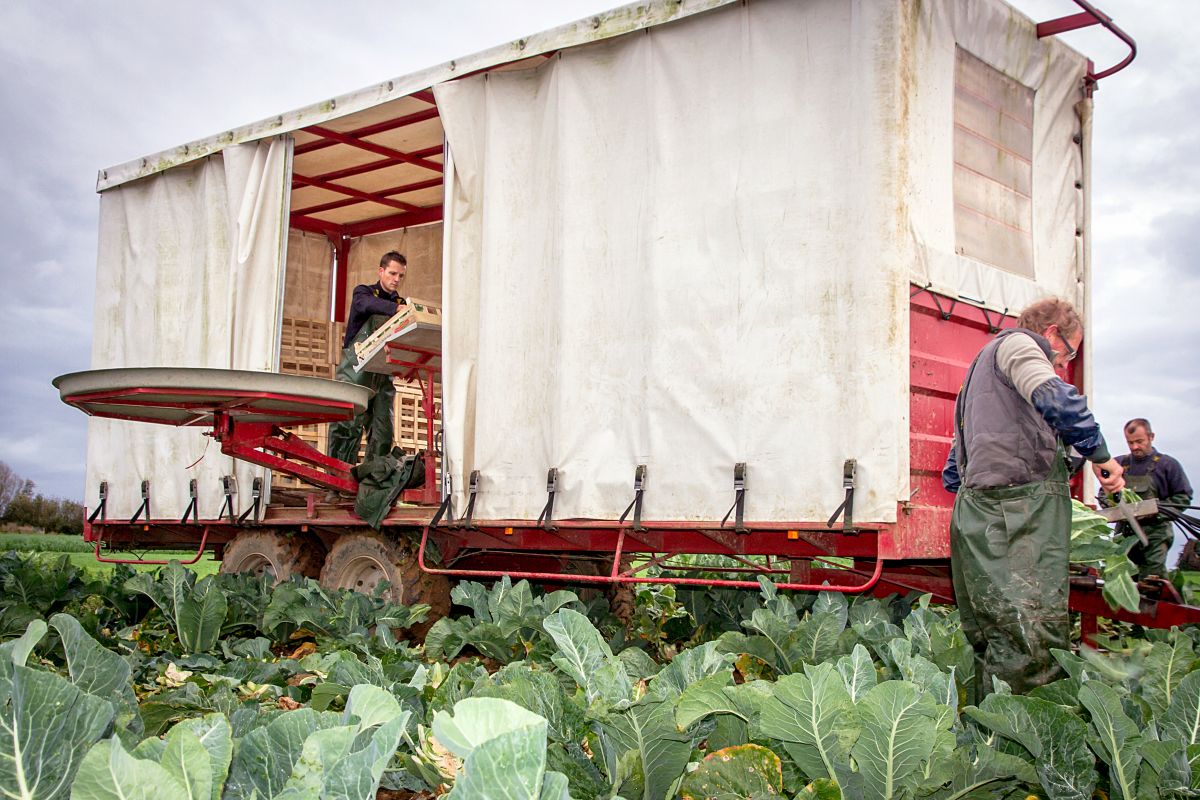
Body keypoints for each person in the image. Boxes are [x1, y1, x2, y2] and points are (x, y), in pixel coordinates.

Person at [941, 297, 1124, 698]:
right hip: (1017, 515)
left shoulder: (979, 370)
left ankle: (989, 735)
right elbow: (1058, 400)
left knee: (993, 636)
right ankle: (1032, 744)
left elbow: (954, 471)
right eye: (1067, 353)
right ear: (1052, 333)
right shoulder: (1021, 347)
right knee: (1031, 638)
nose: (1061, 364)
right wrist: (1102, 456)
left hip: (976, 514)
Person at [327, 252, 407, 467]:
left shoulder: (399, 301)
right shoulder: (364, 292)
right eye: (392, 273)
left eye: (400, 275)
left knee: (383, 428)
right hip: (356, 369)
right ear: (381, 271)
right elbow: (366, 305)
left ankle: (372, 481)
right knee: (348, 424)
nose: (396, 279)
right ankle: (337, 478)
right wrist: (396, 309)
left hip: (382, 374)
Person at [1109, 418, 1193, 579]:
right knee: (1120, 578)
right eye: (1130, 442)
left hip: (1155, 535)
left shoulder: (1167, 465)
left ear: (1151, 436)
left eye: (1139, 441)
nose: (1135, 447)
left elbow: (1183, 497)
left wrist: (1154, 510)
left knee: (1151, 581)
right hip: (1125, 534)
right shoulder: (1118, 464)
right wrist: (1112, 503)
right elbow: (1105, 492)